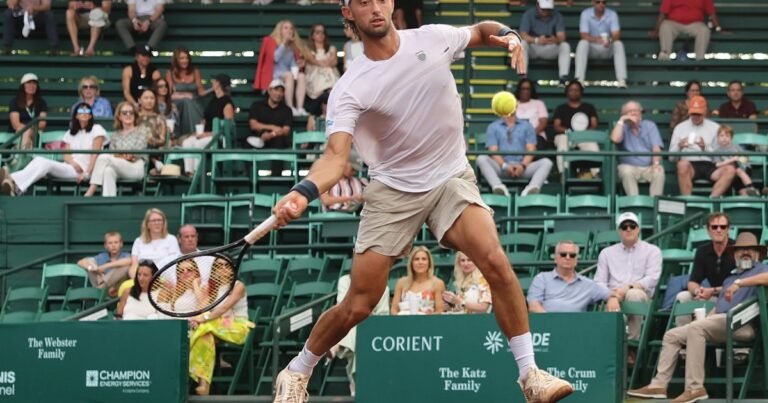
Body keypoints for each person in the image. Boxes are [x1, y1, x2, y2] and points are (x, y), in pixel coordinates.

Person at [269, 2, 574, 400]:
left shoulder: (433, 38)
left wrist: (511, 34)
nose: (375, 8)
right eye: (363, 2)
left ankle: (531, 375)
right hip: (394, 190)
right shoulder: (351, 87)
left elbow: (482, 31)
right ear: (349, 13)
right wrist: (302, 192)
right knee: (360, 304)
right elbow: (335, 158)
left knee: (496, 261)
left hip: (450, 176)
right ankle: (296, 371)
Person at [627, 232, 767, 403]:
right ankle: (659, 385)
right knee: (672, 335)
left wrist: (740, 284)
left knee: (696, 328)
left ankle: (695, 388)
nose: (745, 252)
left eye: (750, 249)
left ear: (758, 254)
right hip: (721, 321)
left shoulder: (761, 268)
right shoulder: (730, 277)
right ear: (734, 254)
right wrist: (707, 317)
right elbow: (719, 306)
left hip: (743, 324)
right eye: (741, 249)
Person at [2, 102, 105, 196]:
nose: (84, 113)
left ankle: (11, 179)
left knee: (44, 163)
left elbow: (95, 154)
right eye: (81, 111)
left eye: (87, 111)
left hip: (82, 171)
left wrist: (86, 173)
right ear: (76, 115)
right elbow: (66, 154)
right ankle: (15, 185)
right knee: (39, 160)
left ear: (91, 115)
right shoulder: (71, 133)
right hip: (70, 167)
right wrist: (73, 163)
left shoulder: (97, 129)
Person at [188, 263, 253, 395]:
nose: (222, 269)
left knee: (204, 328)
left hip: (237, 327)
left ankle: (191, 373)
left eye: (226, 266)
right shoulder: (213, 288)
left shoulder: (238, 286)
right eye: (218, 266)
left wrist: (203, 319)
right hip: (215, 326)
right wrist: (196, 285)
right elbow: (203, 308)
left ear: (232, 270)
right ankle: (204, 384)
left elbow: (223, 309)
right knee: (205, 335)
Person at [595, 212, 661, 341]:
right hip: (614, 295)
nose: (629, 229)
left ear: (639, 229)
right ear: (619, 231)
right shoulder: (606, 253)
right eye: (624, 227)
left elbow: (652, 279)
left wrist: (627, 288)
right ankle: (611, 344)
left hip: (641, 294)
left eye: (632, 225)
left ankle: (631, 345)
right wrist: (611, 296)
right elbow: (599, 282)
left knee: (634, 294)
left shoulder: (653, 251)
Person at [328, 273, 389, 397]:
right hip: (351, 321)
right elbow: (342, 305)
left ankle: (336, 346)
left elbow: (383, 314)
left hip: (373, 326)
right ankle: (356, 384)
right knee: (357, 336)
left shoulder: (383, 287)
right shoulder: (345, 280)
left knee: (358, 329)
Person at [673, 212, 735, 327]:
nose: (719, 230)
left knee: (706, 302)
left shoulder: (737, 249)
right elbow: (693, 282)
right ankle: (682, 336)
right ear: (708, 230)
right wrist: (698, 291)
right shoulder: (702, 251)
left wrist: (711, 291)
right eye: (714, 227)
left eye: (723, 226)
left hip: (731, 296)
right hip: (711, 296)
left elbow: (737, 285)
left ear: (728, 229)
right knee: (683, 296)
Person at [669, 95, 735, 197]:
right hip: (689, 164)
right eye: (693, 113)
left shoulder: (715, 127)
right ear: (689, 112)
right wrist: (679, 146)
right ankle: (688, 202)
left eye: (698, 114)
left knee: (730, 170)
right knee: (682, 165)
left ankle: (712, 201)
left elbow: (721, 155)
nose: (695, 116)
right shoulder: (680, 127)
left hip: (711, 164)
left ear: (704, 112)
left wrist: (705, 148)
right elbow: (671, 158)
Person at [476, 113, 553, 196]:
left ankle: (531, 189)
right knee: (481, 158)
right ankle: (498, 187)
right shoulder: (493, 126)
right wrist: (505, 166)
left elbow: (531, 149)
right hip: (501, 167)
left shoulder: (527, 125)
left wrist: (522, 166)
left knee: (546, 162)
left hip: (523, 168)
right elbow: (493, 150)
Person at [84, 101, 148, 197]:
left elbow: (135, 154)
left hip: (136, 167)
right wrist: (123, 156)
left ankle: (91, 189)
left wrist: (120, 155)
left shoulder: (142, 131)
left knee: (103, 157)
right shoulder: (115, 135)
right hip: (119, 166)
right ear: (119, 116)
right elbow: (113, 154)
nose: (128, 115)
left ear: (135, 115)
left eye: (131, 112)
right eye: (124, 113)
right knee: (108, 170)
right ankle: (108, 202)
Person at [527, 241, 612, 313]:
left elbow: (610, 294)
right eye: (563, 254)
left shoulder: (588, 284)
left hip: (576, 327)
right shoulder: (542, 279)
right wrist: (551, 321)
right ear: (555, 258)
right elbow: (533, 305)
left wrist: (613, 298)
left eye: (572, 255)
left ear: (576, 260)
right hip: (547, 326)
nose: (568, 258)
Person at [181, 74, 234, 176]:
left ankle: (198, 173)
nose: (212, 83)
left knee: (198, 144)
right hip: (206, 135)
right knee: (187, 142)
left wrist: (208, 134)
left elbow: (228, 127)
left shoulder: (227, 103)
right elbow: (206, 119)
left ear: (218, 84)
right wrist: (199, 131)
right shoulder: (213, 101)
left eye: (214, 81)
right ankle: (189, 173)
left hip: (220, 137)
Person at [253, 20, 308, 116]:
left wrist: (298, 65)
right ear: (280, 30)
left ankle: (300, 108)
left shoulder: (292, 47)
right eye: (286, 28)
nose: (289, 30)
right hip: (273, 76)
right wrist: (284, 43)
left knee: (302, 76)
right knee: (289, 75)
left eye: (291, 28)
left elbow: (292, 65)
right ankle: (290, 107)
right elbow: (275, 58)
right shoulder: (270, 41)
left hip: (287, 76)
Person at [611, 100, 665, 196]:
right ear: (624, 114)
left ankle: (655, 204)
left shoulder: (650, 125)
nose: (633, 113)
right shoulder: (621, 126)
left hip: (648, 167)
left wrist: (655, 163)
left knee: (659, 171)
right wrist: (622, 120)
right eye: (629, 111)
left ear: (640, 112)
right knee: (626, 171)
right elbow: (615, 139)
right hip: (628, 166)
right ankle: (634, 203)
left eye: (636, 110)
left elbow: (656, 148)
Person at [575, 0, 627, 88]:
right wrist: (596, 39)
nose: (601, 4)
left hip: (607, 47)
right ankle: (579, 80)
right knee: (582, 43)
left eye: (604, 2)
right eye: (598, 2)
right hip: (591, 49)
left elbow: (616, 35)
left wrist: (609, 41)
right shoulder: (586, 13)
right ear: (592, 2)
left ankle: (621, 80)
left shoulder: (612, 14)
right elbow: (583, 35)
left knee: (618, 44)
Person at [552, 80, 599, 175]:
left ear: (581, 92)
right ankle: (564, 173)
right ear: (567, 92)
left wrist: (584, 133)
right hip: (565, 136)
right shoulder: (561, 108)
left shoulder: (588, 107)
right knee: (562, 145)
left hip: (584, 136)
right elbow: (556, 126)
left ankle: (595, 174)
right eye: (571, 90)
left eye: (577, 90)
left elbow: (594, 124)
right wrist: (568, 131)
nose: (574, 92)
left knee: (592, 146)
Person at [246, 79, 292, 175]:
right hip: (258, 138)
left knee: (280, 143)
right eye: (276, 90)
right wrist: (272, 127)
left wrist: (272, 134)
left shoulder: (286, 110)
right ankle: (250, 179)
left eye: (281, 91)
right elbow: (253, 125)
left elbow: (285, 130)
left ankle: (276, 179)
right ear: (269, 90)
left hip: (276, 139)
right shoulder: (257, 106)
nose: (278, 94)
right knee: (248, 144)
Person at [518, 0, 570, 85]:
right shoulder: (528, 14)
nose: (546, 11)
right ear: (537, 5)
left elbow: (562, 36)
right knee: (522, 43)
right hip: (533, 47)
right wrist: (536, 40)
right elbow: (523, 35)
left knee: (565, 46)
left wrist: (554, 39)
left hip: (550, 48)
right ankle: (522, 76)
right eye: (543, 9)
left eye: (548, 9)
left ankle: (563, 78)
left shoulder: (557, 16)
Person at [650, 0, 721, 61]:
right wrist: (656, 30)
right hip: (674, 23)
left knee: (704, 30)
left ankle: (700, 60)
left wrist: (718, 29)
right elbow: (663, 12)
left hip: (695, 24)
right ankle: (664, 55)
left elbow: (711, 12)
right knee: (665, 25)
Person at [128, 208, 181, 280]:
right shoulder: (138, 241)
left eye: (159, 220)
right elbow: (134, 265)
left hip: (165, 278)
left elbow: (174, 265)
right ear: (147, 224)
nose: (157, 223)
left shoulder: (171, 239)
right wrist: (136, 280)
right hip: (142, 278)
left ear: (163, 223)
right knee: (126, 288)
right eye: (153, 220)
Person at [390, 246, 446, 315]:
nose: (420, 262)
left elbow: (440, 311)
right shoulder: (401, 283)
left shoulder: (437, 283)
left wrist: (429, 316)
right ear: (411, 263)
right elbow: (394, 309)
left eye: (424, 259)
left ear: (429, 263)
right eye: (416, 259)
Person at [166, 47, 207, 138]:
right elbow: (169, 95)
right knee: (186, 101)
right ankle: (191, 133)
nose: (185, 60)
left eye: (186, 58)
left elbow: (201, 91)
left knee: (190, 103)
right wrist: (184, 95)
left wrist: (214, 88)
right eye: (181, 58)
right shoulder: (170, 73)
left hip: (194, 103)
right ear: (176, 60)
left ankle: (193, 135)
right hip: (178, 104)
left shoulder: (195, 71)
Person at [304, 24, 339, 118]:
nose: (321, 35)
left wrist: (320, 62)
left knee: (328, 70)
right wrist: (323, 62)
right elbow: (311, 60)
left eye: (323, 32)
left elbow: (334, 62)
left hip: (330, 73)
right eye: (317, 32)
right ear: (312, 35)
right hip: (314, 75)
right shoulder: (308, 49)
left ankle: (329, 91)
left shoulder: (332, 48)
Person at [713, 124, 759, 196]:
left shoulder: (735, 147)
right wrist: (731, 160)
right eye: (722, 136)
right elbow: (717, 165)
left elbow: (745, 158)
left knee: (738, 171)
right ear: (717, 137)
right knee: (740, 188)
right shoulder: (716, 151)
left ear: (731, 138)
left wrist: (741, 159)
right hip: (730, 173)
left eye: (727, 136)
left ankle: (751, 187)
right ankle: (748, 195)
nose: (724, 138)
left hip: (743, 169)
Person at [7, 73, 48, 150]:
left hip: (35, 134)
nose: (32, 86)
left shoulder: (41, 103)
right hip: (17, 134)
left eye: (34, 83)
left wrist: (29, 129)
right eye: (29, 83)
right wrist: (30, 127)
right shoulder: (14, 102)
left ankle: (18, 157)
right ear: (23, 86)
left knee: (27, 132)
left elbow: (42, 124)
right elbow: (16, 125)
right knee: (27, 136)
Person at [513, 78, 550, 150]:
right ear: (519, 90)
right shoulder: (513, 104)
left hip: (537, 136)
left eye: (528, 89)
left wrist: (531, 135)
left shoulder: (539, 103)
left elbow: (543, 123)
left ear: (531, 90)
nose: (525, 91)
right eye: (523, 89)